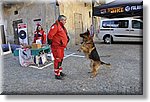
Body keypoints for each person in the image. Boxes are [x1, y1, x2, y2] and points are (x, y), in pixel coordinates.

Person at [47, 15, 69, 80]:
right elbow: (50, 35)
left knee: (61, 59)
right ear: (61, 20)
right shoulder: (55, 26)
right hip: (56, 47)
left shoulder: (61, 26)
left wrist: (67, 38)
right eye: (64, 20)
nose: (65, 22)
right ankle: (57, 74)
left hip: (61, 46)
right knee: (57, 59)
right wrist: (53, 43)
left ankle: (60, 71)